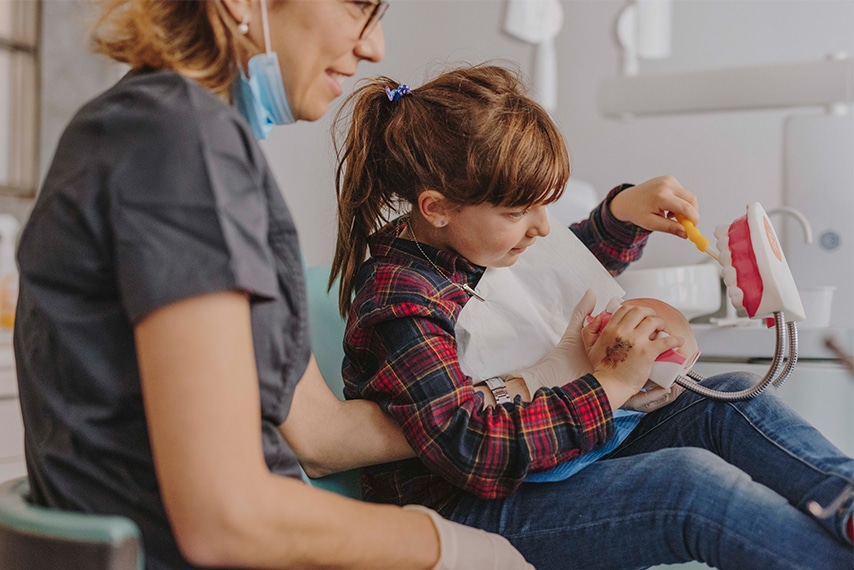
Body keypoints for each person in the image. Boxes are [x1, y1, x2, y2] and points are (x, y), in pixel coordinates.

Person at [13, 2, 535, 569]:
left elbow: (322, 436)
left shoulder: (168, 129)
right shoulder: (181, 143)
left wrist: (517, 389)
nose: (374, 47)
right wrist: (442, 547)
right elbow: (227, 518)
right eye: (357, 6)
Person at [330, 64, 854, 569]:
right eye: (518, 213)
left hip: (547, 464)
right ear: (437, 206)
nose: (540, 228)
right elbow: (471, 447)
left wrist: (620, 215)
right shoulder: (401, 302)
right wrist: (608, 385)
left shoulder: (474, 242)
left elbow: (552, 268)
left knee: (732, 401)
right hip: (463, 508)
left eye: (545, 206)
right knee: (684, 487)